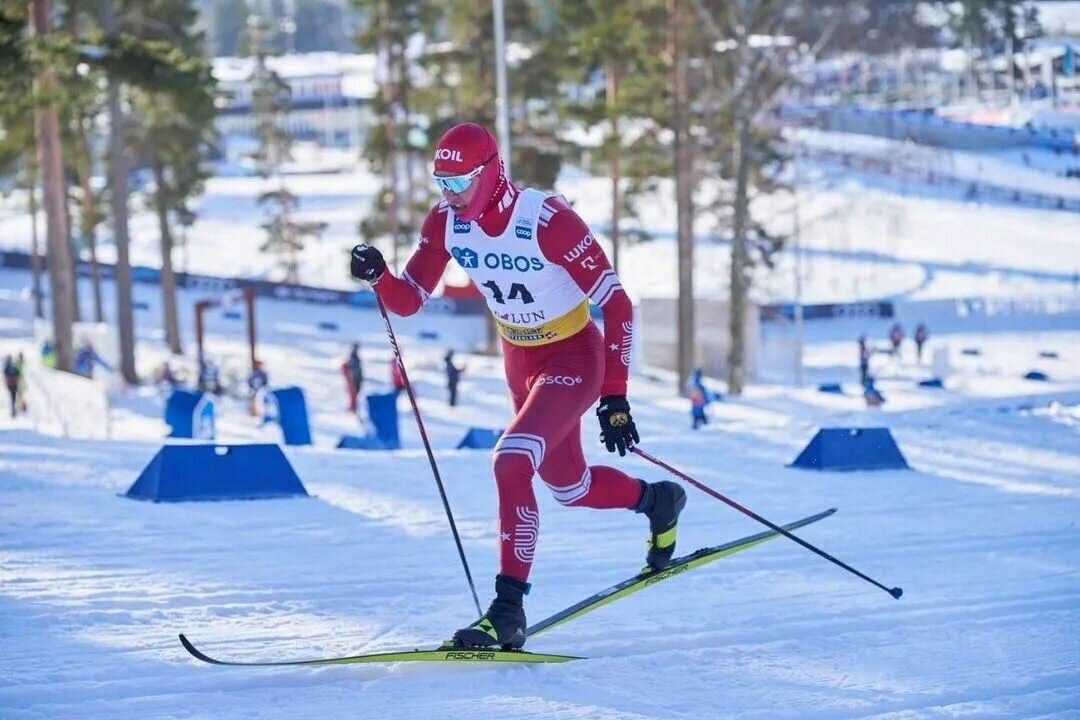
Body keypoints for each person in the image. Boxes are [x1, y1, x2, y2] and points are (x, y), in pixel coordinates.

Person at [349, 122, 685, 650]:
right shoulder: (445, 222)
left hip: (574, 353)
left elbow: (617, 303)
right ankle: (658, 501)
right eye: (442, 182)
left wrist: (615, 394)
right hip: (519, 359)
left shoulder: (547, 220)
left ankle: (507, 609)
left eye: (460, 182)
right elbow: (410, 299)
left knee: (510, 460)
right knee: (568, 487)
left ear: (491, 173)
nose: (450, 195)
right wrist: (379, 276)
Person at [343, 343, 364, 412]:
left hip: (357, 378)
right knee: (353, 394)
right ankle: (353, 409)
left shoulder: (355, 356)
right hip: (353, 379)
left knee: (356, 394)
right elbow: (351, 368)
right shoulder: (352, 357)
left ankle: (354, 408)